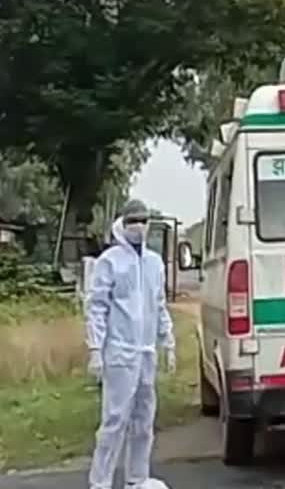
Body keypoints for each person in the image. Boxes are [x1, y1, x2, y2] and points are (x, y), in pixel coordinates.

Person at [85, 199, 176, 489]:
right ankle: (100, 482)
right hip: (120, 353)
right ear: (122, 224)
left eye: (143, 220)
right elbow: (97, 306)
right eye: (133, 221)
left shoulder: (154, 263)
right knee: (114, 420)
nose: (139, 226)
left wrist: (168, 340)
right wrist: (95, 349)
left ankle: (137, 478)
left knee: (144, 421)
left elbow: (159, 305)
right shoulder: (110, 261)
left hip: (146, 352)